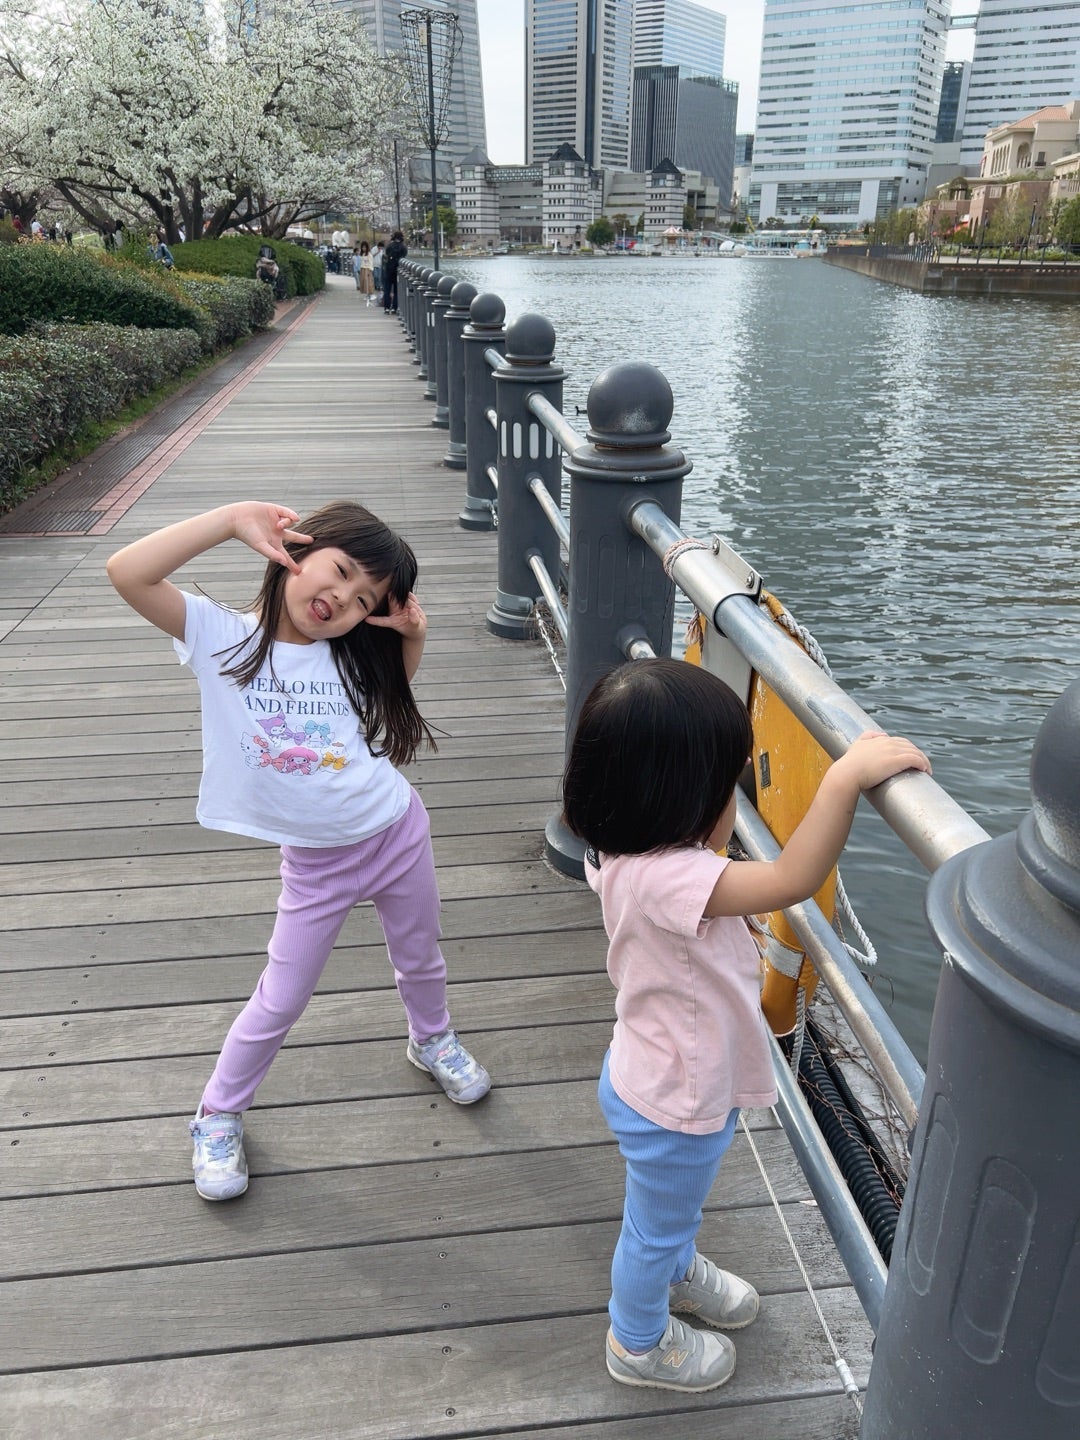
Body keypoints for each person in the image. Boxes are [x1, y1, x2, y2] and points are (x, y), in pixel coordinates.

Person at [560, 658, 930, 1394]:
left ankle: (676, 1268)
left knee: (667, 1210)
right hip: (676, 1099)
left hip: (655, 1071)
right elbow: (791, 880)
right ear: (680, 803)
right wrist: (843, 779)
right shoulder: (674, 878)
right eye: (727, 786)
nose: (735, 801)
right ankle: (637, 1341)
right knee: (652, 1227)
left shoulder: (621, 850)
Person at [106, 501, 491, 1202]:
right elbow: (127, 572)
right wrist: (231, 520)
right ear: (296, 551)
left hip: (397, 830)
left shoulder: (349, 653)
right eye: (339, 571)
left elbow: (392, 697)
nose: (342, 598)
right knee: (281, 998)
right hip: (318, 863)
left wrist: (414, 634)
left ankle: (431, 1038)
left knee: (420, 955)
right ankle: (218, 1114)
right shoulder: (223, 636)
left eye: (364, 599)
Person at [382, 229, 407, 313]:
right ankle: (394, 308)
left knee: (387, 289)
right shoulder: (403, 247)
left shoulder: (389, 246)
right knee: (396, 290)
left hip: (389, 269)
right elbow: (404, 256)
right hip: (398, 270)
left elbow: (386, 254)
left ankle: (387, 307)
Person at [356, 241, 376, 305]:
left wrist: (370, 270)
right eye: (362, 247)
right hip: (363, 268)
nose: (363, 248)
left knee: (369, 282)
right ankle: (367, 295)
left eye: (365, 247)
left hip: (367, 269)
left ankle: (372, 294)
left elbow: (371, 262)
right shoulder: (363, 254)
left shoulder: (369, 254)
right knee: (364, 282)